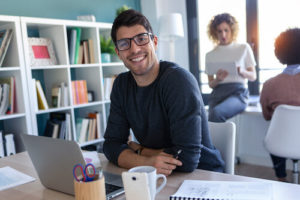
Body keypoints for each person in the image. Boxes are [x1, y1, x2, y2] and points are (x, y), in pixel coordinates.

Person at [103, 9, 224, 176]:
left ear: (155, 42)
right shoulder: (121, 85)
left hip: (201, 175)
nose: (135, 49)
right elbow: (111, 145)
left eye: (142, 39)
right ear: (118, 52)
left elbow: (187, 160)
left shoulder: (178, 81)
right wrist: (146, 161)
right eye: (124, 43)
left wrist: (141, 150)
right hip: (156, 176)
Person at [260, 28, 300, 182]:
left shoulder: (270, 84)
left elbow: (266, 116)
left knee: (275, 134)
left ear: (279, 53)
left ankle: (281, 178)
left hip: (281, 144)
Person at [205, 13, 257, 122]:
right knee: (208, 122)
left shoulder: (244, 48)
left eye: (226, 30)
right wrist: (218, 79)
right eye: (219, 31)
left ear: (232, 30)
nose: (223, 34)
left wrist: (242, 72)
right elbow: (211, 84)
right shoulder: (210, 55)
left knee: (216, 113)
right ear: (214, 32)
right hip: (217, 94)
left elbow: (253, 76)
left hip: (238, 93)